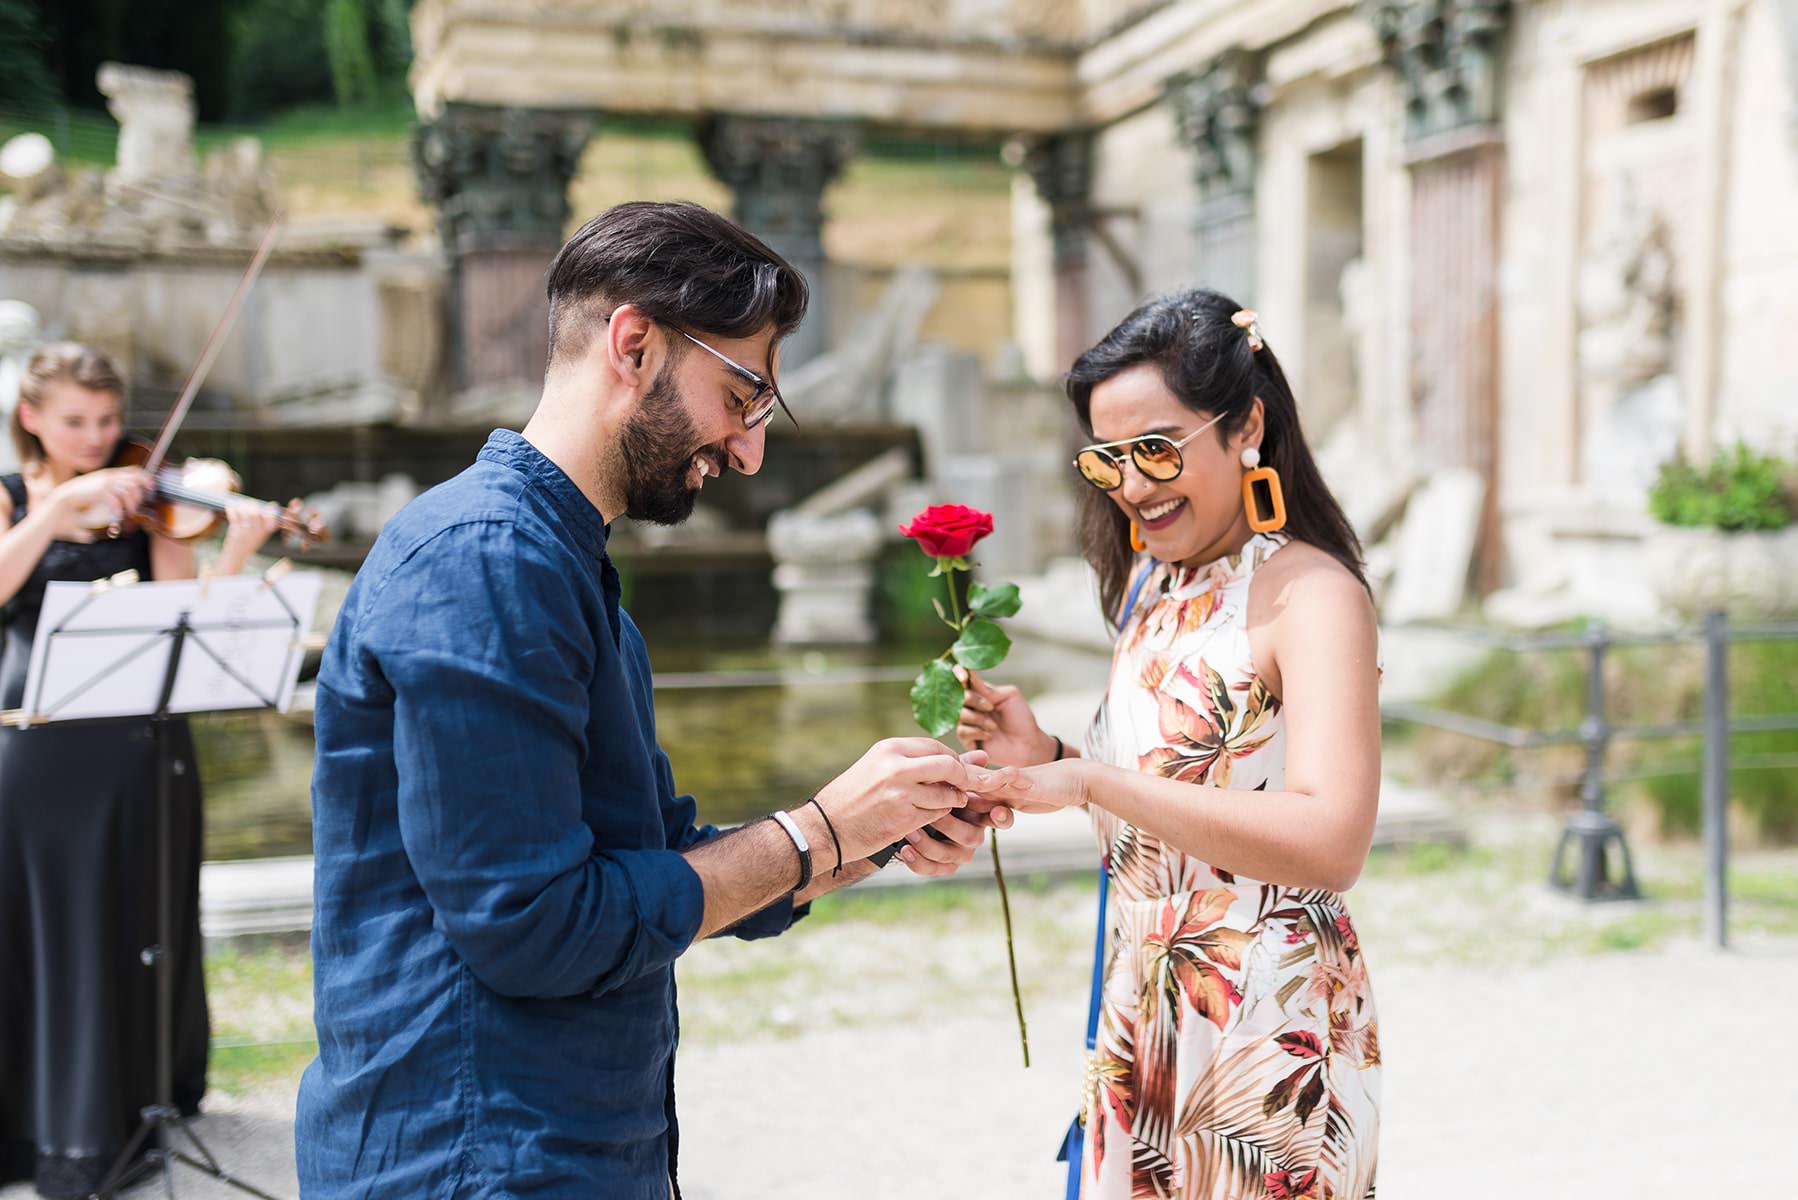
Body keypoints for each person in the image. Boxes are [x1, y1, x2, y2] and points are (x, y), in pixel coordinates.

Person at [296, 201, 1030, 1199]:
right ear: (635, 344)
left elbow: (655, 862)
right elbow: (535, 923)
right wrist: (815, 830)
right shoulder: (486, 563)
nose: (749, 450)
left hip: (556, 1142)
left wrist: (875, 834)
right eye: (744, 395)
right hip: (471, 1152)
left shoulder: (560, 567)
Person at [957, 291, 1382, 1199]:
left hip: (1265, 1017)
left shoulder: (1311, 595)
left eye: (1155, 449)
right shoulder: (1155, 581)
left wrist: (1090, 783)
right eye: (1106, 460)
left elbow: (1330, 840)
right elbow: (1189, 780)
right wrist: (1047, 753)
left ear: (1247, 428)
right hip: (1142, 996)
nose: (1132, 487)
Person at [0, 342, 286, 1198]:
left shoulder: (147, 501)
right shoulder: (13, 498)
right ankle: (44, 1133)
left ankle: (125, 1112)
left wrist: (234, 550)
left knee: (134, 927)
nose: (97, 439)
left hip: (140, 755)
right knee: (41, 933)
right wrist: (55, 513)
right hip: (34, 754)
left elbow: (186, 612)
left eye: (109, 421)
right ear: (32, 420)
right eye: (76, 422)